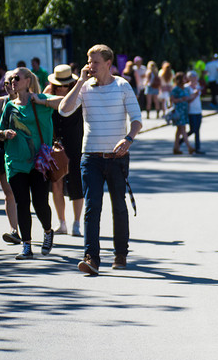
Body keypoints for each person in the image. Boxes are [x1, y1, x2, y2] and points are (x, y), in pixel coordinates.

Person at [59, 44, 142, 275]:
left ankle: (120, 253)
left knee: (119, 206)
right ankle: (91, 258)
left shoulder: (122, 86)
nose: (90, 65)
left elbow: (137, 119)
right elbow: (64, 111)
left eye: (95, 62)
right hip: (90, 157)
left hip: (117, 157)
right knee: (92, 207)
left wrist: (128, 138)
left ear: (108, 64)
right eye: (88, 60)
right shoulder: (84, 87)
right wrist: (78, 82)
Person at [0, 67, 58, 260]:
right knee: (22, 203)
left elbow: (66, 104)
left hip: (38, 163)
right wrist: (5, 134)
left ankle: (48, 231)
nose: (12, 81)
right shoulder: (9, 106)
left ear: (28, 81)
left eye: (17, 78)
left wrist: (41, 100)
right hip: (15, 163)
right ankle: (26, 246)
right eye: (11, 79)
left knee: (40, 203)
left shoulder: (39, 101)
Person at [44, 65, 85, 237]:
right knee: (56, 183)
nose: (61, 88)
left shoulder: (79, 92)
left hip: (75, 144)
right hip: (55, 145)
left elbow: (64, 105)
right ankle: (62, 223)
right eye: (58, 85)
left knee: (76, 184)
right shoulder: (48, 92)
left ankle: (76, 223)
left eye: (65, 85)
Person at [0, 76, 20, 244]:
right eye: (6, 83)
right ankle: (14, 230)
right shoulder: (0, 102)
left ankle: (28, 228)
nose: (8, 86)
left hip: (22, 153)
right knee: (9, 193)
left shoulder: (28, 102)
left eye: (12, 82)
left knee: (21, 193)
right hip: (2, 152)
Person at [169, 72, 195, 155]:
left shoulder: (186, 88)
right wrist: (181, 99)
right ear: (179, 79)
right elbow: (172, 100)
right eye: (183, 78)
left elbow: (189, 98)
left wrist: (194, 95)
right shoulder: (175, 89)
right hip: (178, 111)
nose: (185, 79)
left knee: (179, 130)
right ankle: (189, 147)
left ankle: (176, 148)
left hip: (184, 111)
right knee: (183, 129)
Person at [185, 71, 204, 154]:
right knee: (193, 129)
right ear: (189, 78)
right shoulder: (187, 87)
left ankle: (197, 148)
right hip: (191, 111)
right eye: (192, 77)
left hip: (198, 110)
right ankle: (182, 140)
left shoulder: (198, 85)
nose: (195, 78)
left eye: (195, 76)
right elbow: (187, 100)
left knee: (197, 130)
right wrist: (195, 94)